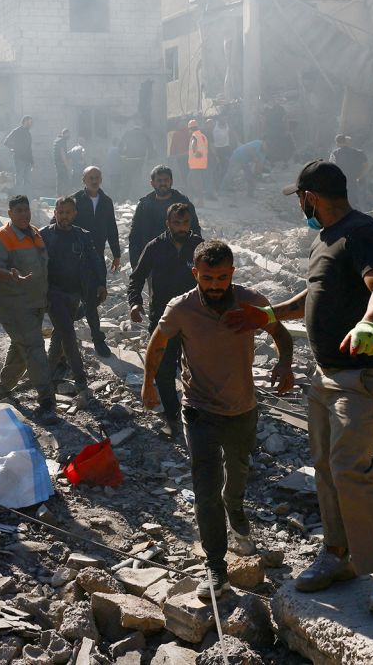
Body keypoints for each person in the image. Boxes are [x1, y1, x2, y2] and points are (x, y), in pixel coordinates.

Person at [243, 160, 373, 614]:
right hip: (326, 374)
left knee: (348, 466)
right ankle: (338, 555)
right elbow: (316, 295)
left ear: (311, 197)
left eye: (301, 199)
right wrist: (271, 314)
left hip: (364, 376)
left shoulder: (362, 232)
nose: (301, 206)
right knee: (324, 465)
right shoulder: (325, 240)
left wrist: (369, 323)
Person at [142, 240, 293, 601]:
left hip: (242, 408)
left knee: (237, 474)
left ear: (232, 274)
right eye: (207, 277)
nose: (215, 285)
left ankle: (236, 509)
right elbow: (158, 344)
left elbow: (280, 333)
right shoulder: (181, 308)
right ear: (195, 274)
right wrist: (149, 384)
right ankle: (215, 566)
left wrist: (284, 362)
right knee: (205, 488)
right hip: (199, 409)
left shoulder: (251, 300)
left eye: (222, 277)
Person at [127, 202, 201, 442]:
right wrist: (135, 302)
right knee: (164, 369)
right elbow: (136, 278)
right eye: (177, 223)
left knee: (196, 369)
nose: (182, 227)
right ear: (168, 223)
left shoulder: (198, 246)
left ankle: (197, 414)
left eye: (185, 222)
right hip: (163, 319)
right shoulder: (155, 247)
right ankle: (172, 416)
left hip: (194, 319)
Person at [0, 195, 56, 424]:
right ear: (10, 214)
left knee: (21, 349)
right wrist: (10, 274)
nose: (24, 215)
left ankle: (0, 389)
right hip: (13, 304)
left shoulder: (34, 233)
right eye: (19, 211)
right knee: (35, 348)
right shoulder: (3, 237)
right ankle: (47, 399)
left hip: (35, 302)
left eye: (26, 210)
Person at [41, 196, 105, 401]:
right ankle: (80, 379)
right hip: (53, 293)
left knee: (61, 332)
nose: (63, 216)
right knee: (68, 334)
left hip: (75, 293)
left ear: (74, 214)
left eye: (68, 212)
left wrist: (102, 283)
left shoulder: (82, 236)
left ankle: (46, 375)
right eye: (60, 212)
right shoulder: (44, 235)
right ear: (54, 213)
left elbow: (95, 261)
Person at [71, 166, 121, 358]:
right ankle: (97, 340)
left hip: (97, 256)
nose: (94, 180)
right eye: (90, 177)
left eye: (97, 177)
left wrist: (116, 253)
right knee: (85, 298)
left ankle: (78, 315)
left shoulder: (106, 201)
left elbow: (112, 227)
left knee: (99, 295)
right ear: (83, 179)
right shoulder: (75, 200)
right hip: (75, 256)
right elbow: (58, 221)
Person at [128, 165, 201, 271]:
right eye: (159, 180)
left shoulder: (183, 203)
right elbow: (135, 235)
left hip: (179, 261)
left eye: (166, 180)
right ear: (152, 183)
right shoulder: (144, 205)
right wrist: (136, 263)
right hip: (152, 261)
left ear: (171, 181)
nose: (163, 183)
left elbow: (195, 229)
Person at [117, 122, 155, 201]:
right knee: (137, 178)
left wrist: (122, 154)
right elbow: (150, 146)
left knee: (128, 178)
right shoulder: (143, 134)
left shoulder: (127, 133)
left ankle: (125, 197)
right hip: (140, 158)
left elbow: (120, 145)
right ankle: (136, 197)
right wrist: (150, 158)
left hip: (129, 159)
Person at [330, 134, 368, 206]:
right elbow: (366, 166)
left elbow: (332, 168)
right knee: (359, 202)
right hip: (356, 181)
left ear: (337, 143)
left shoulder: (335, 154)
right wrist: (360, 177)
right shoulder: (358, 152)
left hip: (342, 183)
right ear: (346, 142)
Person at [3, 115, 34, 196]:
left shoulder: (28, 133)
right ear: (25, 122)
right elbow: (6, 142)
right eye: (30, 122)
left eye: (31, 122)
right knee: (19, 180)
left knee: (28, 181)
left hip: (28, 161)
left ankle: (28, 199)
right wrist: (14, 149)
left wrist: (32, 161)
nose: (31, 124)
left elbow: (29, 148)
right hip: (19, 159)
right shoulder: (17, 131)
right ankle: (18, 199)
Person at [187, 119, 212, 200]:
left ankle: (200, 200)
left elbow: (193, 145)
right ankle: (190, 198)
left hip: (195, 164)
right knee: (190, 181)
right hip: (202, 162)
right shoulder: (203, 136)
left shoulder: (194, 135)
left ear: (190, 128)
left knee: (196, 182)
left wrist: (194, 152)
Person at [211, 115, 234, 193]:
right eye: (223, 118)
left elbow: (231, 135)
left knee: (227, 168)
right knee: (218, 168)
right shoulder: (214, 126)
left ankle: (225, 185)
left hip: (226, 148)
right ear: (219, 119)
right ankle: (218, 186)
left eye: (225, 118)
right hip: (217, 149)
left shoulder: (227, 125)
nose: (224, 120)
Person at [53, 128, 72, 197]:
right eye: (68, 134)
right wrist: (68, 166)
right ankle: (65, 196)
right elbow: (62, 154)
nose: (69, 136)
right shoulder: (62, 141)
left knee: (59, 180)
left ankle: (59, 195)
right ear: (65, 134)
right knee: (66, 180)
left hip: (57, 164)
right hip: (62, 164)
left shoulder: (57, 140)